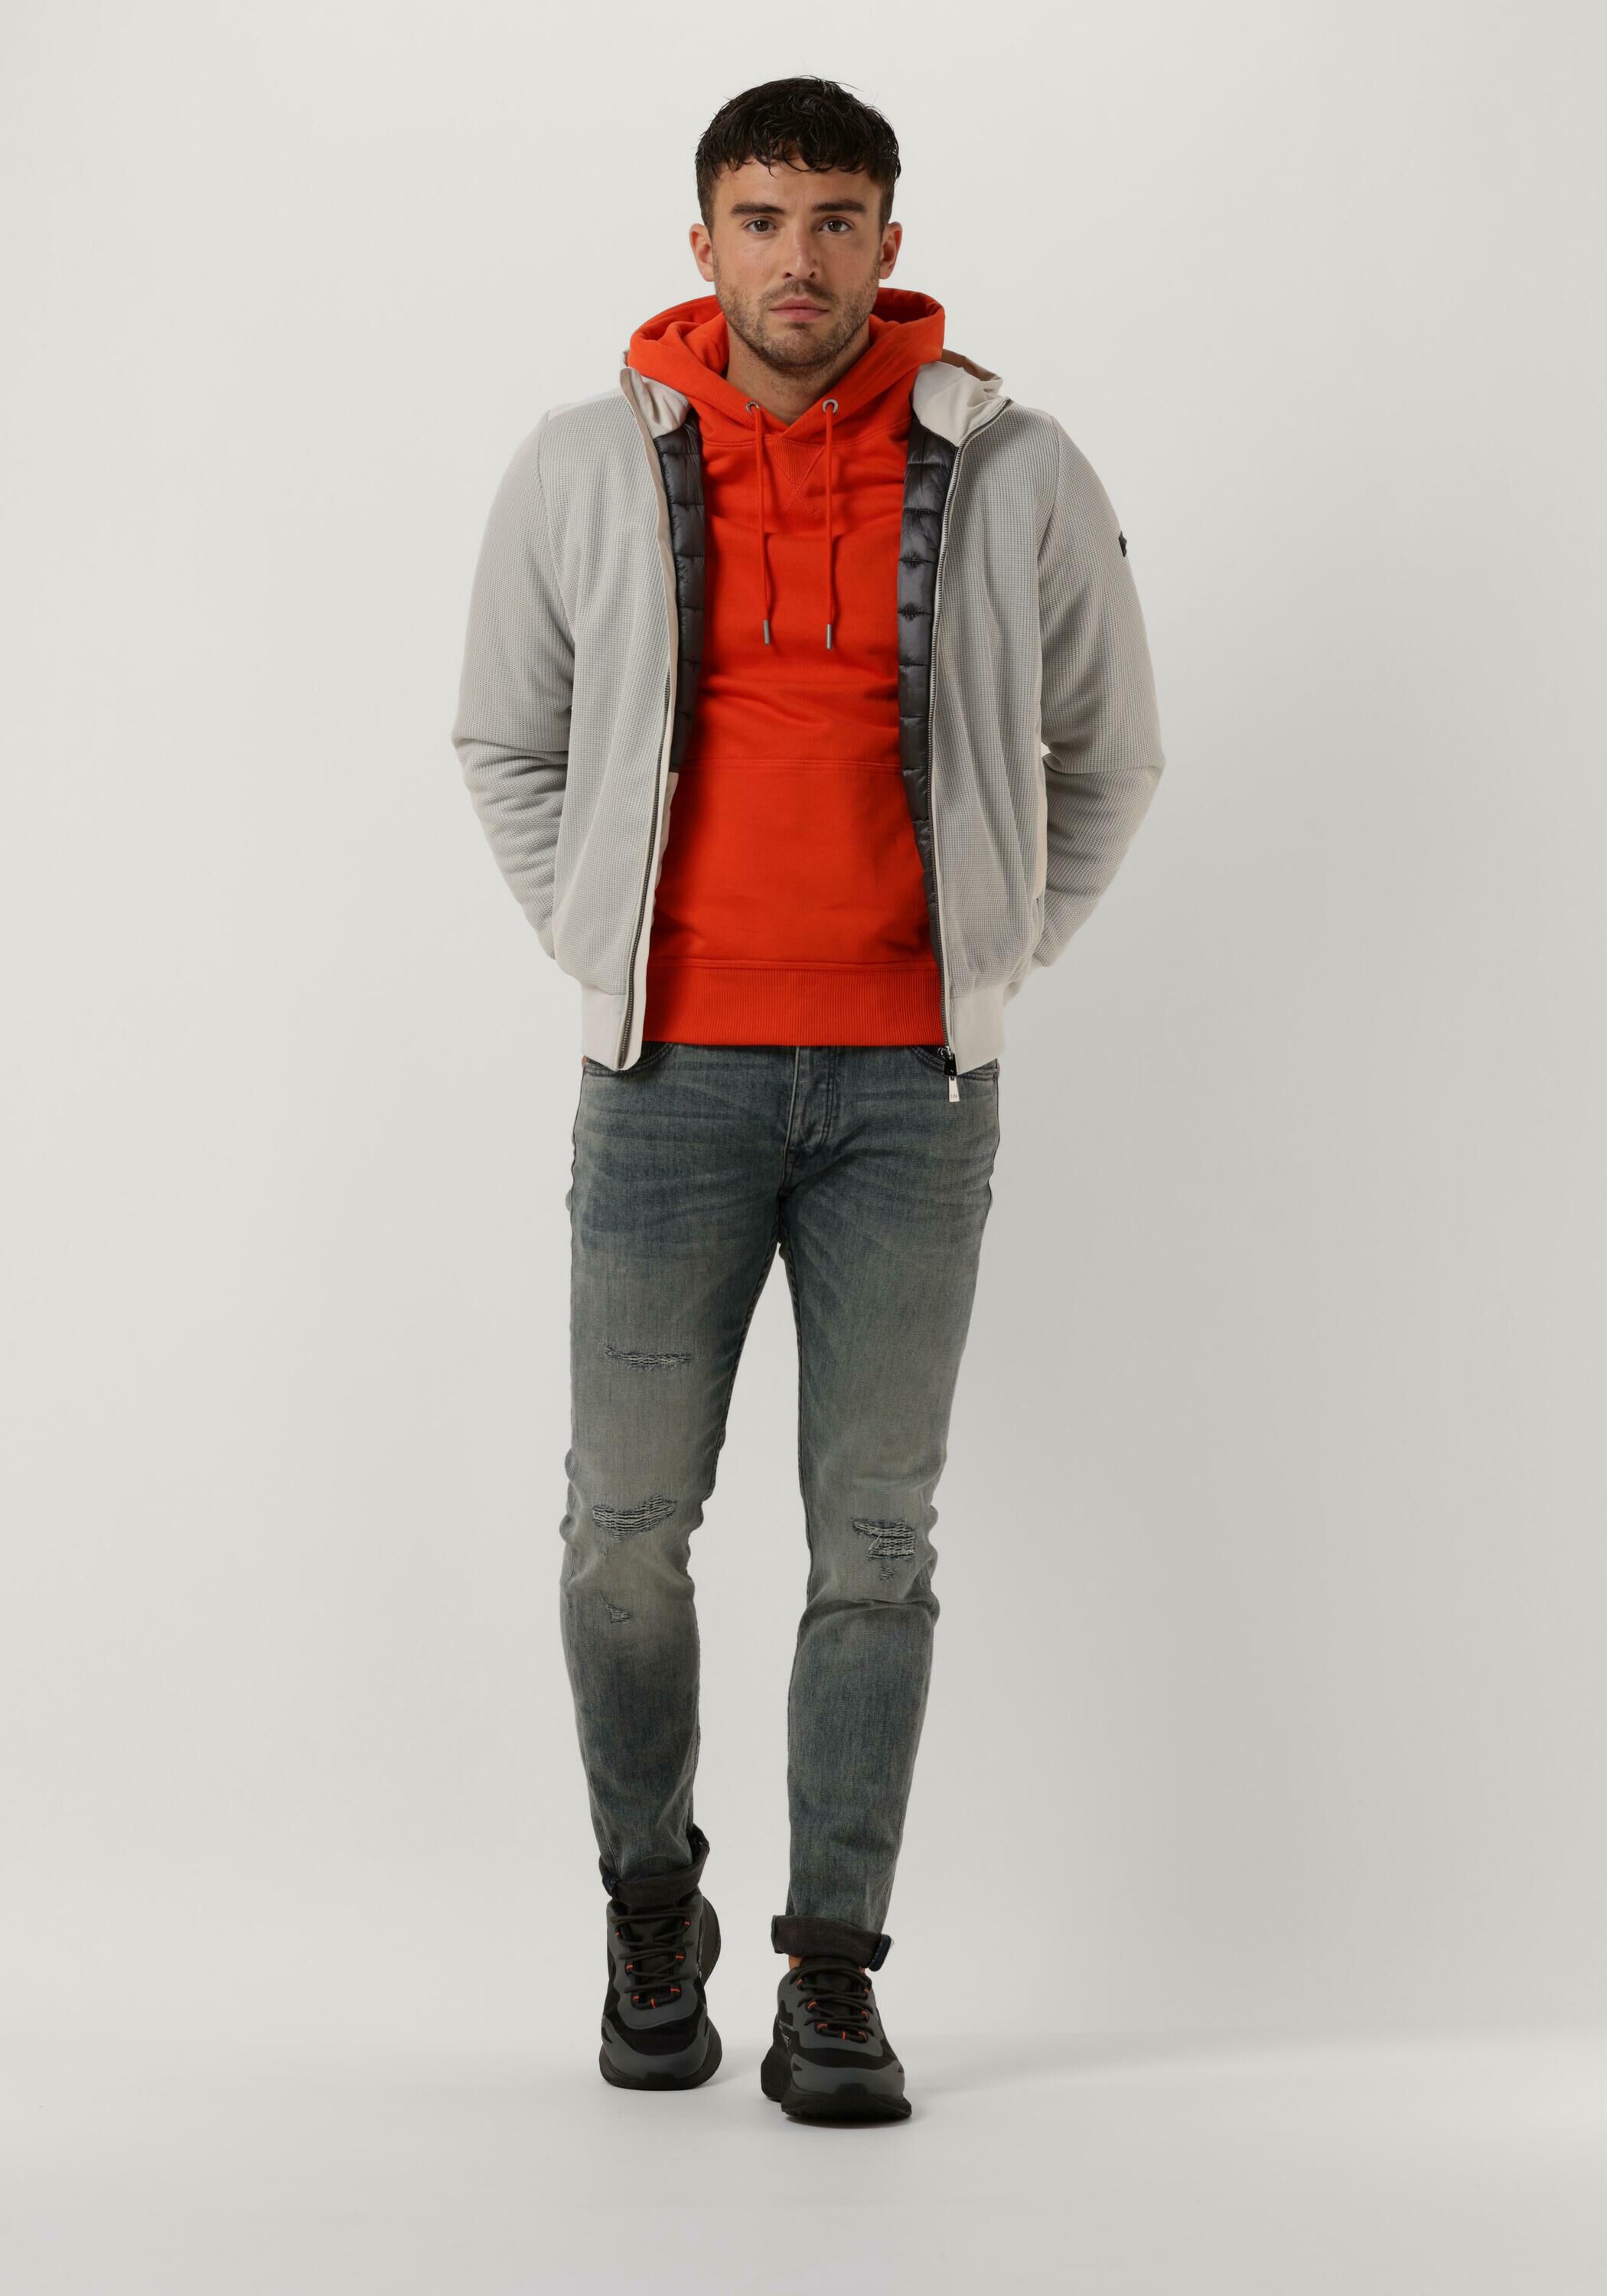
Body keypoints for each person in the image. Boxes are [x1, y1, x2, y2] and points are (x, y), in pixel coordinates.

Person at [450, 74, 1165, 2125]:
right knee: (620, 1533)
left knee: (873, 1541)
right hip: (665, 1080)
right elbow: (504, 739)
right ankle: (646, 1907)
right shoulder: (581, 463)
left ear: (887, 240)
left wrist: (992, 955)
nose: (798, 258)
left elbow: (1110, 753)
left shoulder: (1016, 468)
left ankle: (832, 1970)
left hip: (909, 1098)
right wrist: (601, 940)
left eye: (836, 219)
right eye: (760, 219)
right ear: (703, 244)